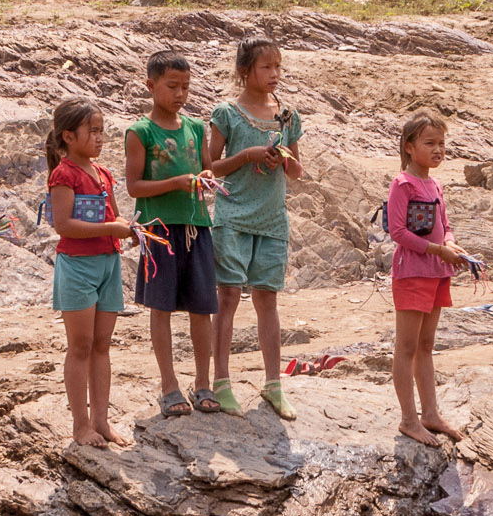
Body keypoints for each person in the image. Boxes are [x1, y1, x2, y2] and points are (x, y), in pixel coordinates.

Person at [206, 37, 306, 421]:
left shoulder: (287, 116)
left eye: (278, 67)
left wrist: (283, 158)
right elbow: (209, 167)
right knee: (228, 295)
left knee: (268, 299)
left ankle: (273, 384)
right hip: (232, 215)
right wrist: (246, 156)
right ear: (244, 71)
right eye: (266, 67)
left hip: (271, 219)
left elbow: (297, 170)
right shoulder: (227, 113)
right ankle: (222, 382)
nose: (274, 74)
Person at [123, 51, 220, 417]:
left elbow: (208, 171)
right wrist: (176, 183)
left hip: (197, 227)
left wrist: (205, 180)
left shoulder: (196, 128)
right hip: (159, 231)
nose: (180, 94)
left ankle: (203, 383)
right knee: (161, 307)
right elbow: (135, 187)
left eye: (186, 87)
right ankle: (169, 384)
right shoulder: (140, 132)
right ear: (151, 86)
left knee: (201, 307)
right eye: (172, 86)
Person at [48, 98, 134, 449]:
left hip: (108, 264)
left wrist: (125, 229)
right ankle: (80, 425)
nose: (99, 138)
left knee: (102, 344)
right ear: (68, 136)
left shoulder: (103, 174)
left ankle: (101, 420)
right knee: (80, 346)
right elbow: (64, 225)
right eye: (92, 132)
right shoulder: (63, 175)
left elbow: (112, 216)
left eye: (101, 131)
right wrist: (113, 228)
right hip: (79, 267)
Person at [386, 111, 469, 447]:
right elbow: (398, 232)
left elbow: (445, 224)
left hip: (437, 272)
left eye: (442, 143)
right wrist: (437, 249)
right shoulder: (402, 184)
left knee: (426, 346)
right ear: (409, 147)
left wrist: (450, 243)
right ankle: (409, 418)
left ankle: (430, 413)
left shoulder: (435, 184)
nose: (438, 150)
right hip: (413, 273)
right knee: (406, 347)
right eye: (430, 143)